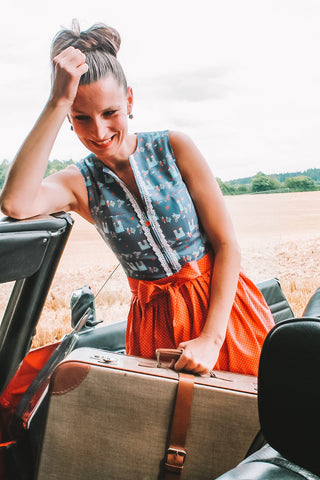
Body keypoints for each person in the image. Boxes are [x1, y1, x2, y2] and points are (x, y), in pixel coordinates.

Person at [0, 20, 275, 376]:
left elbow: (227, 245)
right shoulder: (79, 182)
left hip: (225, 313)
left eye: (110, 113)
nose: (98, 131)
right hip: (154, 327)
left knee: (257, 418)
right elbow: (15, 203)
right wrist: (57, 100)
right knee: (169, 429)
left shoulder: (175, 147)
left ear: (129, 100)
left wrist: (211, 339)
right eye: (80, 117)